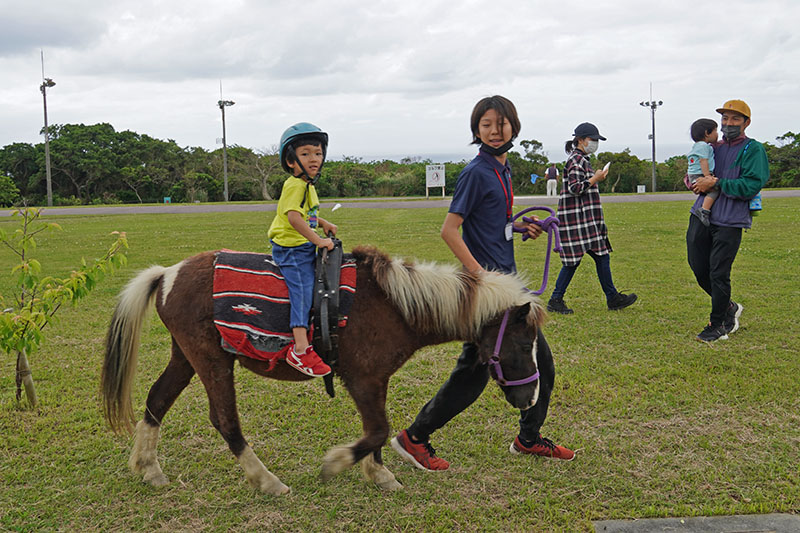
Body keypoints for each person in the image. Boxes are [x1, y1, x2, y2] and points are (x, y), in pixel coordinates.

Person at [390, 95, 574, 471]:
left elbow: (491, 223)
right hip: (491, 293)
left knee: (512, 366)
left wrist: (520, 226)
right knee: (480, 372)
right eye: (486, 124)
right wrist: (479, 274)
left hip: (505, 287)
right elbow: (450, 230)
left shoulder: (502, 170)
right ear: (477, 130)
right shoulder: (476, 172)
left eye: (501, 124)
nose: (494, 130)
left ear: (514, 127)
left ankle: (525, 439)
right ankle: (416, 437)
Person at [688, 100, 769, 343]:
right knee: (698, 267)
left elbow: (752, 184)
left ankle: (719, 323)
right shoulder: (714, 147)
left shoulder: (753, 149)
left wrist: (717, 183)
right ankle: (729, 306)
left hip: (730, 219)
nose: (728, 123)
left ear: (747, 122)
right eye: (725, 119)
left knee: (718, 272)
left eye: (735, 119)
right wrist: (693, 182)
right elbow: (696, 170)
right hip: (701, 215)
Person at [268, 122, 337, 376]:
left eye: (318, 153)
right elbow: (294, 218)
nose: (314, 159)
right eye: (306, 153)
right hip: (290, 248)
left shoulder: (308, 186)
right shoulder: (294, 185)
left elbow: (307, 216)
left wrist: (322, 222)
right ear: (291, 161)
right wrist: (318, 240)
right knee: (302, 289)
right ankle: (299, 349)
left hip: (302, 244)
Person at [546, 122, 637, 315]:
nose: (595, 143)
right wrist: (595, 178)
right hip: (578, 220)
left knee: (599, 256)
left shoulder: (582, 159)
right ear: (580, 140)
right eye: (592, 140)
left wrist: (596, 177)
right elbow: (575, 188)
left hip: (585, 220)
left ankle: (611, 297)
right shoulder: (576, 160)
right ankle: (556, 299)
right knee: (575, 261)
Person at [687, 119, 720, 227]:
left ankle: (704, 209)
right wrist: (707, 177)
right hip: (700, 175)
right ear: (707, 133)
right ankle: (704, 210)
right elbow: (703, 161)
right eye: (715, 130)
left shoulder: (698, 145)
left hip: (694, 175)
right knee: (715, 190)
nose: (717, 134)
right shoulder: (703, 146)